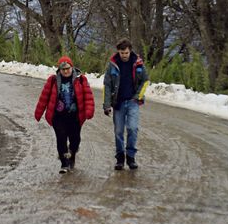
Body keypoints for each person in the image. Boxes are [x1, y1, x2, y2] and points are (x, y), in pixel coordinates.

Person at [35, 56, 95, 173]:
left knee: (75, 140)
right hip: (58, 117)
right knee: (61, 138)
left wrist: (89, 111)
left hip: (75, 117)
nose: (66, 71)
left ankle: (71, 154)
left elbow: (88, 97)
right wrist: (39, 112)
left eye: (68, 68)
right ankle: (64, 164)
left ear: (72, 67)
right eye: (63, 69)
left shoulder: (81, 80)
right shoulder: (53, 80)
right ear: (59, 70)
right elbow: (44, 97)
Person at [103, 38, 149, 170]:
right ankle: (120, 158)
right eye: (122, 53)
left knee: (132, 128)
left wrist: (138, 96)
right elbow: (107, 85)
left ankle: (131, 157)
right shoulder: (112, 65)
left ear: (130, 51)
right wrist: (106, 105)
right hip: (118, 103)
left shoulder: (138, 63)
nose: (124, 55)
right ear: (118, 52)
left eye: (126, 53)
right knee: (118, 131)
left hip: (133, 102)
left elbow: (145, 81)